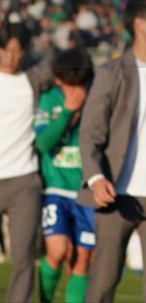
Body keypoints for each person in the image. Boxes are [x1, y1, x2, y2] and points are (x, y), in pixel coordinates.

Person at [78, 0, 146, 303]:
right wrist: (96, 178)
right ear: (140, 24)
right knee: (101, 288)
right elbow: (90, 134)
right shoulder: (110, 73)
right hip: (115, 195)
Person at [35, 48, 96, 303]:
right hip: (56, 190)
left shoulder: (96, 99)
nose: (74, 90)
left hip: (87, 191)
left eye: (79, 84)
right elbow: (43, 144)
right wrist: (68, 111)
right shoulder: (49, 100)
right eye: (69, 84)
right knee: (57, 251)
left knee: (82, 259)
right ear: (58, 79)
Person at [0, 19, 52, 303]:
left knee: (24, 258)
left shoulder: (33, 79)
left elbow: (61, 64)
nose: (11, 57)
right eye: (5, 49)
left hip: (24, 180)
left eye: (17, 50)